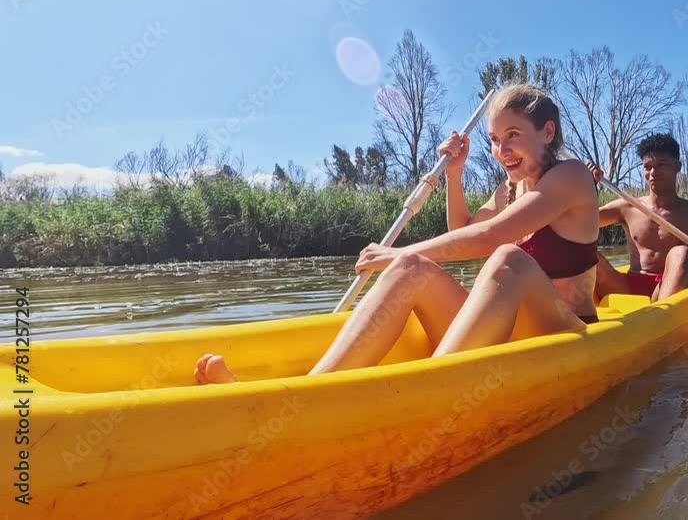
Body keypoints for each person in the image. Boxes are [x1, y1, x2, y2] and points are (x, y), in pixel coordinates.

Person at [194, 83, 600, 384]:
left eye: (513, 135)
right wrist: (454, 175)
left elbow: (487, 240)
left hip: (565, 333)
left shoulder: (571, 177)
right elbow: (462, 231)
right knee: (410, 269)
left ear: (547, 132)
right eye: (495, 140)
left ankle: (426, 393)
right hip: (510, 335)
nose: (501, 150)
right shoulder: (507, 190)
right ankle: (305, 393)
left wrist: (390, 251)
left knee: (508, 260)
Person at [587, 133, 688, 303]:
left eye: (661, 165)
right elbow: (575, 224)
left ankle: (659, 316)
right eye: (648, 166)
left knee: (681, 252)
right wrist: (586, 187)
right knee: (586, 252)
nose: (653, 172)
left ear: (677, 166)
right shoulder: (627, 207)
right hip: (627, 288)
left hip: (670, 286)